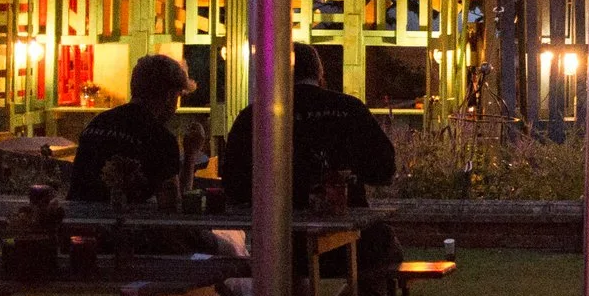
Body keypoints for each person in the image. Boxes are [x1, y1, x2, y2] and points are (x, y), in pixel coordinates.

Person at [219, 42, 398, 209]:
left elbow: (233, 182)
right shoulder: (351, 108)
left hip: (279, 227)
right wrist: (347, 175)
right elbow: (385, 168)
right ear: (319, 72)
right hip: (344, 223)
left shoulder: (255, 115)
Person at [69, 53, 194, 203]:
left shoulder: (97, 123)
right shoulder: (160, 139)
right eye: (177, 96)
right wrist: (191, 153)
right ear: (169, 95)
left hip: (81, 220)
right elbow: (174, 205)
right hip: (130, 223)